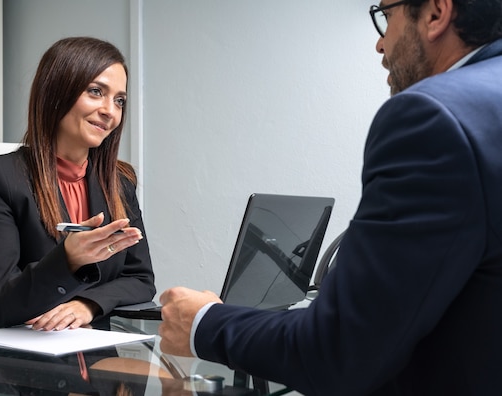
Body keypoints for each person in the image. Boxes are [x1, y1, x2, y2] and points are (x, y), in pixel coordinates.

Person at [159, 0, 502, 394]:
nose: (380, 44)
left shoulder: (435, 116)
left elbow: (339, 350)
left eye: (385, 17)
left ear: (436, 13)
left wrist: (204, 322)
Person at [0, 36, 155, 333]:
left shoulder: (120, 182)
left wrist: (87, 304)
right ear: (56, 92)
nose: (110, 111)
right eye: (96, 91)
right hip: (8, 357)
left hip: (85, 351)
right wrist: (68, 259)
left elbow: (141, 280)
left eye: (119, 100)